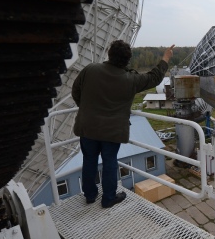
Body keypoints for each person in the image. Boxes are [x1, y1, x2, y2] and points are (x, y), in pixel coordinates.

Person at [72, 40, 174, 207]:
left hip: (87, 126)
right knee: (109, 162)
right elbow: (154, 78)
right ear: (128, 60)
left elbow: (75, 91)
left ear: (109, 55)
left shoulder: (90, 69)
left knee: (89, 160)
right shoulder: (131, 80)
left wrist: (86, 110)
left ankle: (90, 196)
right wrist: (165, 58)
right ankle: (108, 198)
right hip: (112, 132)